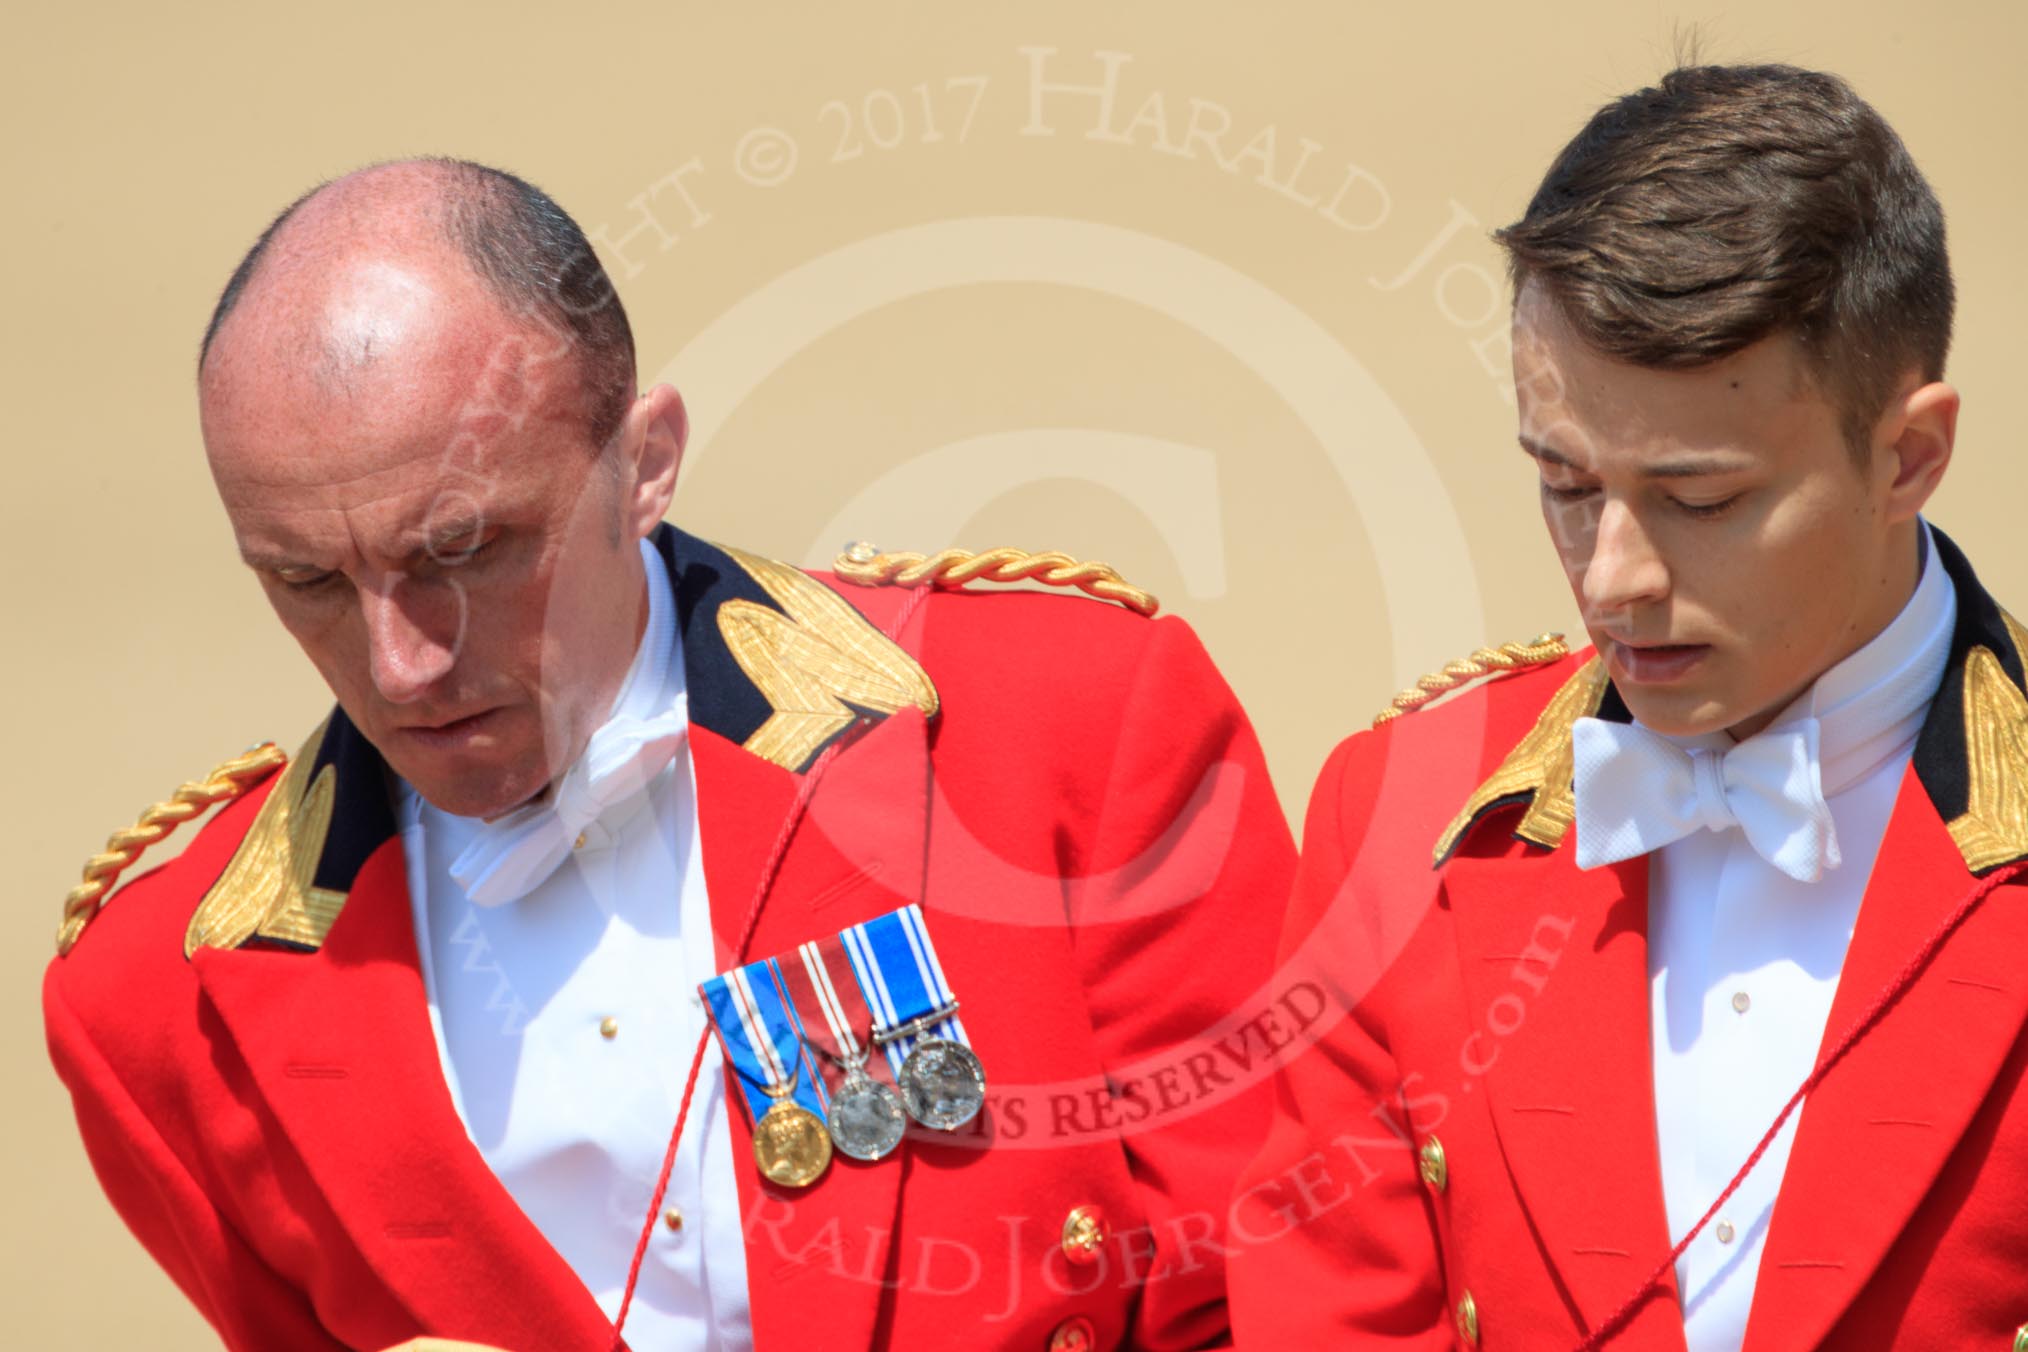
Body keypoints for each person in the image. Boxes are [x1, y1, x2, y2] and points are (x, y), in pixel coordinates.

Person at [43, 158, 1297, 1352]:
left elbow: (1274, 1299)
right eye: (308, 579)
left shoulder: (1064, 727)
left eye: (466, 549)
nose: (399, 665)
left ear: (644, 464)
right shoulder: (152, 1007)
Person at [1227, 64, 2028, 1350]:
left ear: (1908, 456)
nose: (1613, 579)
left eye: (1698, 499)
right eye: (1566, 484)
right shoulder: (1404, 806)